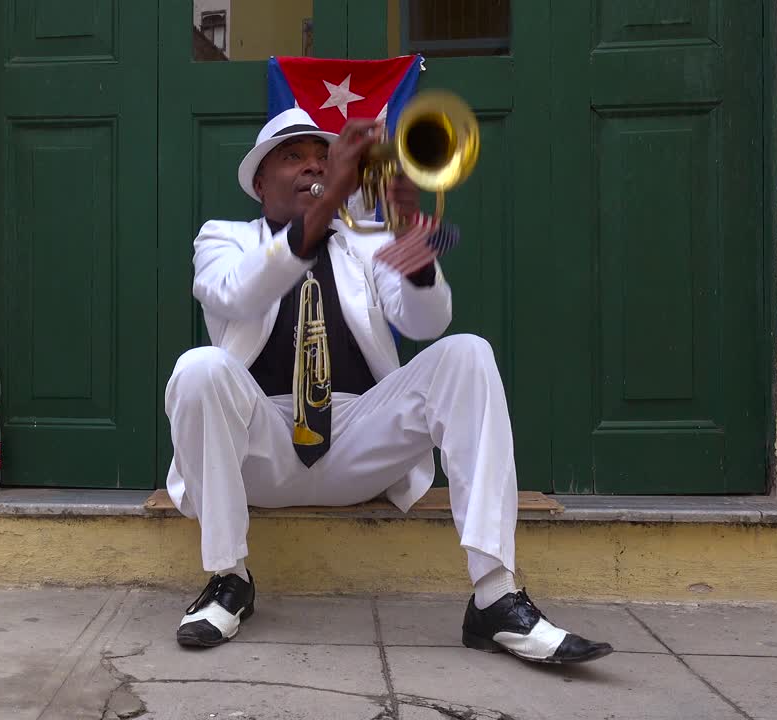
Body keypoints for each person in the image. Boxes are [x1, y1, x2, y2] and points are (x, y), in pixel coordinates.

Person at [163, 107, 613, 664]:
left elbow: (427, 323)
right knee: (199, 368)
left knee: (468, 354)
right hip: (257, 450)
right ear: (259, 182)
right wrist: (326, 207)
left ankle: (495, 598)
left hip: (357, 439)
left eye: (324, 159)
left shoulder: (365, 243)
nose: (313, 167)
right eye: (294, 157)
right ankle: (229, 581)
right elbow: (236, 293)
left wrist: (412, 245)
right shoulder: (224, 238)